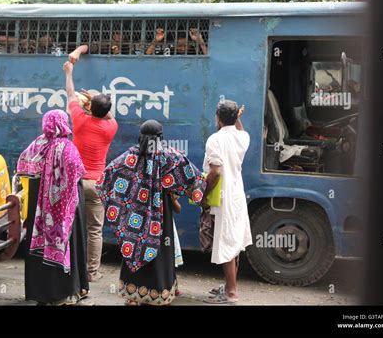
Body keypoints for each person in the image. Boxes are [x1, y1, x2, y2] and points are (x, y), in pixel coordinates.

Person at [96, 120, 205, 306]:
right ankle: (160, 293)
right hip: (161, 215)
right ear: (161, 136)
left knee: (134, 246)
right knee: (161, 250)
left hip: (135, 216)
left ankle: (133, 295)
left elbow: (106, 177)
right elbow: (194, 178)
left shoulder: (131, 156)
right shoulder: (170, 156)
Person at [16, 109, 89, 305]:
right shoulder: (68, 148)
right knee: (68, 244)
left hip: (39, 215)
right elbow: (77, 175)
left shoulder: (36, 146)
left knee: (38, 249)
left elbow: (23, 168)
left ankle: (40, 294)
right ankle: (65, 292)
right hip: (64, 212)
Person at [63, 61, 118, 283]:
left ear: (88, 108)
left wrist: (69, 73)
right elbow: (108, 115)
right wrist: (94, 103)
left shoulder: (78, 120)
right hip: (97, 184)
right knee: (95, 230)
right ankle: (92, 273)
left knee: (69, 226)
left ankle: (68, 267)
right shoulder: (110, 127)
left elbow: (69, 94)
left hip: (75, 182)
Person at [201, 100, 252, 304]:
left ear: (218, 118)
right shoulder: (243, 137)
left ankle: (231, 293)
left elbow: (215, 171)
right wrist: (237, 118)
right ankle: (229, 286)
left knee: (226, 242)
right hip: (237, 194)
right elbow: (238, 129)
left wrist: (203, 195)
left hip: (222, 197)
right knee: (234, 241)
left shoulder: (215, 139)